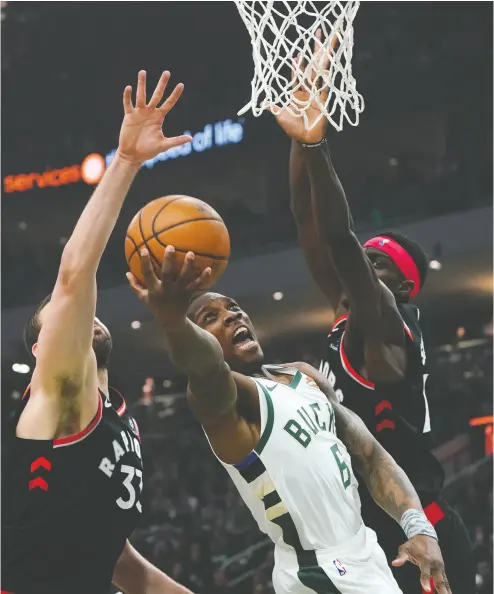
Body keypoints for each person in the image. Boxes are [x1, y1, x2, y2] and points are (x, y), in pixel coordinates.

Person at [269, 33, 475, 594]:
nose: (359, 267)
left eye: (374, 265)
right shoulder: (348, 313)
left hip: (418, 533)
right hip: (368, 532)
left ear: (399, 285)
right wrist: (303, 122)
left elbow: (337, 238)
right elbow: (307, 219)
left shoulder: (388, 325)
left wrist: (317, 146)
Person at [126, 246, 452, 594]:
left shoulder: (305, 377)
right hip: (318, 571)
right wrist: (173, 322)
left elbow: (372, 457)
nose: (232, 316)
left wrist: (419, 527)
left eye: (234, 308)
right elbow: (203, 366)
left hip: (365, 551)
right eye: (210, 318)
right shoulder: (226, 402)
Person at [2, 70, 194, 594]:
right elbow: (72, 276)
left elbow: (121, 563)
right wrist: (126, 162)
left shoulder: (116, 420)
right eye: (63, 320)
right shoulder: (57, 393)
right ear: (44, 349)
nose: (84, 319)